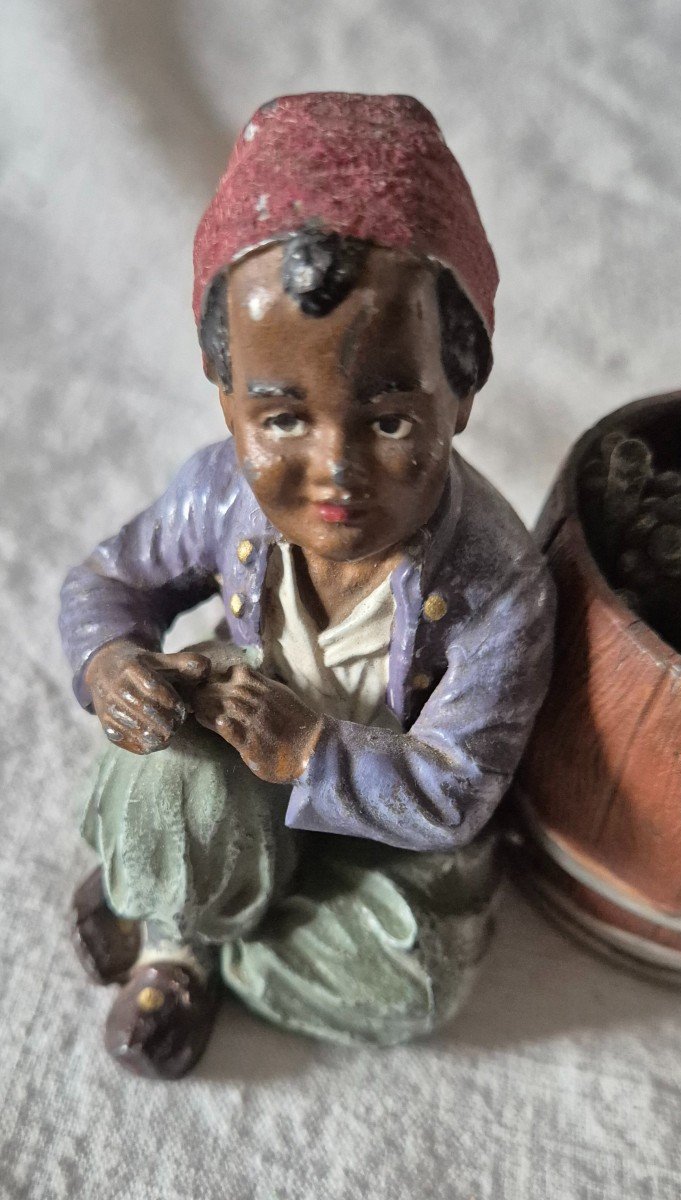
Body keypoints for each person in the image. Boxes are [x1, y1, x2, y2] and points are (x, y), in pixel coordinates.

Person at [60, 92, 555, 1079]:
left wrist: (311, 751)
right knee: (164, 767)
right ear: (226, 391)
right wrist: (115, 664)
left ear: (459, 397)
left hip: (377, 850)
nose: (334, 470)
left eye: (384, 422)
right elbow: (107, 581)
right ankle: (174, 933)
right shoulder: (216, 498)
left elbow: (457, 792)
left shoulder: (498, 586)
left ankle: (180, 923)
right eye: (282, 418)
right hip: (235, 775)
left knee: (416, 981)